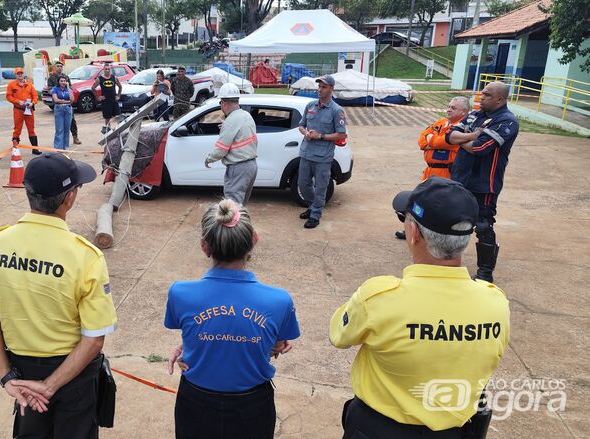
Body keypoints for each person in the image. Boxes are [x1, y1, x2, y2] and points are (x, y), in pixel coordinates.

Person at [330, 177, 510, 439]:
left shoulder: (379, 297)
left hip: (378, 429)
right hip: (454, 432)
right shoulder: (495, 303)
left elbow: (339, 335)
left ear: (413, 233)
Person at [0, 153, 118, 439]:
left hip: (22, 372)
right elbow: (94, 337)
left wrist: (8, 378)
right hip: (72, 375)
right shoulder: (85, 256)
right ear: (70, 198)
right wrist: (50, 386)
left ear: (28, 193)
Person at [164, 199, 300, 439]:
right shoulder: (279, 301)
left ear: (205, 247)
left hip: (195, 403)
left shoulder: (180, 293)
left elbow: (196, 327)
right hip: (252, 407)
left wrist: (193, 345)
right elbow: (277, 345)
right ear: (254, 240)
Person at [447, 81, 519, 283]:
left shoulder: (507, 121)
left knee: (483, 225)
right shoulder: (475, 114)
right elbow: (450, 136)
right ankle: (447, 263)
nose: (481, 97)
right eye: (482, 93)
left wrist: (464, 140)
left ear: (500, 99)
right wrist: (471, 136)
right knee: (451, 219)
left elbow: (481, 148)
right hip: (460, 178)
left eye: (486, 94)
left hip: (484, 183)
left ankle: (485, 272)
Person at [395, 96, 469, 240]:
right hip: (429, 171)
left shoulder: (463, 129)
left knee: (441, 205)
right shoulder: (441, 123)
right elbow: (422, 139)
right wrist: (435, 142)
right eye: (449, 106)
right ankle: (413, 230)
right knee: (418, 201)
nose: (448, 109)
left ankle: (437, 236)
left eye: (453, 108)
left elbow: (448, 142)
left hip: (447, 172)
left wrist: (433, 141)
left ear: (464, 112)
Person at [297, 74, 347, 229]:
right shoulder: (310, 106)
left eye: (323, 87)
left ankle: (315, 214)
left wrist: (320, 136)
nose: (320, 89)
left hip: (323, 157)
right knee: (303, 184)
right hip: (306, 153)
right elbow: (301, 125)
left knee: (321, 187)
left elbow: (341, 134)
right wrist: (305, 133)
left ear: (331, 89)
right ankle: (312, 206)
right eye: (319, 86)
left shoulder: (336, 111)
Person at [204, 83, 258, 206]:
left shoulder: (231, 120)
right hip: (251, 166)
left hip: (238, 168)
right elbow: (240, 132)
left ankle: (233, 226)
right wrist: (227, 126)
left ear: (224, 102)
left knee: (232, 206)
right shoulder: (246, 115)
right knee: (241, 206)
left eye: (220, 103)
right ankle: (241, 224)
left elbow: (221, 149)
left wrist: (209, 159)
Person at [45, 61, 81, 145]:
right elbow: (49, 90)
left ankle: (75, 137)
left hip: (68, 103)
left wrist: (69, 90)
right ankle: (60, 142)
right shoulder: (51, 78)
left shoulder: (66, 77)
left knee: (72, 121)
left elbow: (70, 88)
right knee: (60, 125)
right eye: (58, 66)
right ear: (55, 67)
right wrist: (58, 90)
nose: (59, 68)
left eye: (61, 66)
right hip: (58, 104)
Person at [7, 67, 40, 155]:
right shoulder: (11, 85)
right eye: (18, 73)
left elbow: (35, 96)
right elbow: (9, 97)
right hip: (18, 110)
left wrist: (33, 103)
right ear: (15, 75)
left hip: (29, 110)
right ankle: (15, 149)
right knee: (17, 129)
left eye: (21, 73)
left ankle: (35, 149)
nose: (20, 75)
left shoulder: (29, 85)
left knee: (31, 129)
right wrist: (18, 101)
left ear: (23, 74)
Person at [91, 63, 122, 131]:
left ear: (110, 69)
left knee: (118, 116)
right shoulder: (100, 79)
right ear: (103, 69)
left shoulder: (114, 77)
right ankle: (108, 133)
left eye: (108, 69)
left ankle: (120, 130)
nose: (107, 70)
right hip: (105, 101)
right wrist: (98, 97)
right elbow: (93, 88)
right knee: (107, 118)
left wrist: (118, 95)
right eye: (106, 69)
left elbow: (120, 86)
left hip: (114, 100)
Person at [51, 76, 74, 151]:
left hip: (68, 109)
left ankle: (65, 147)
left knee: (67, 128)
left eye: (64, 81)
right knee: (59, 129)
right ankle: (58, 148)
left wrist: (68, 87)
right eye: (61, 81)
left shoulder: (68, 89)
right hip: (59, 109)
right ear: (58, 82)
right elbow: (56, 100)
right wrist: (66, 101)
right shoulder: (55, 89)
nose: (63, 82)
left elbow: (72, 99)